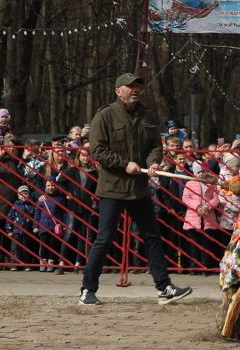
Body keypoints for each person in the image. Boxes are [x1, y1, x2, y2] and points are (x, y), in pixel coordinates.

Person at [79, 72, 190, 306]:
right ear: (118, 91)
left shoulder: (148, 115)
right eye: (130, 87)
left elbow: (154, 146)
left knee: (152, 236)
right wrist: (123, 163)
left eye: (138, 86)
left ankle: (164, 288)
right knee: (105, 238)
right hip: (112, 188)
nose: (135, 90)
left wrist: (152, 162)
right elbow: (97, 150)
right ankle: (87, 289)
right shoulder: (105, 116)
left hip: (139, 189)